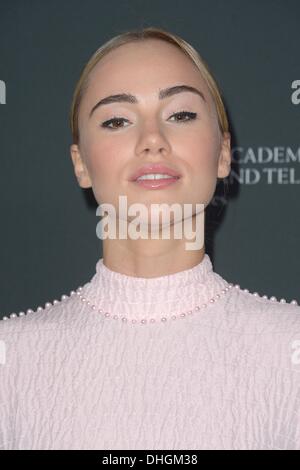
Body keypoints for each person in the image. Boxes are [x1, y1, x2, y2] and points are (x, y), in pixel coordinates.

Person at [1, 27, 300, 451]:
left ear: (222, 153)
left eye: (180, 115)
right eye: (117, 120)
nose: (152, 141)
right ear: (80, 164)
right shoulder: (10, 362)